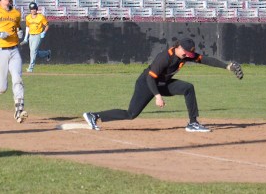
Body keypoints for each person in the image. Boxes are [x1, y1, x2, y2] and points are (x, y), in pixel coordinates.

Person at [82, 38, 244, 133]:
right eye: (186, 52)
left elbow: (205, 59)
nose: (187, 56)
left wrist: (227, 66)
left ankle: (193, 123)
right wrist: (158, 96)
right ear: (178, 47)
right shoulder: (164, 58)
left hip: (163, 83)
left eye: (189, 54)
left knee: (188, 88)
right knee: (131, 114)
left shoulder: (185, 55)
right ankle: (94, 115)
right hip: (147, 84)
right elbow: (151, 79)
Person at [20, 2, 51, 73]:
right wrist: (25, 38)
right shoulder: (28, 17)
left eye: (34, 9)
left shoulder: (41, 17)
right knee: (34, 52)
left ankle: (30, 68)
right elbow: (27, 27)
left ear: (36, 9)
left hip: (38, 35)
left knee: (33, 51)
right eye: (31, 9)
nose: (33, 10)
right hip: (31, 36)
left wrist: (44, 32)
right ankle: (47, 53)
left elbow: (47, 25)